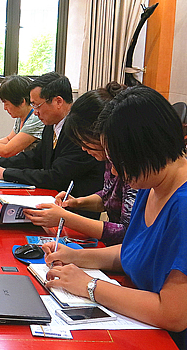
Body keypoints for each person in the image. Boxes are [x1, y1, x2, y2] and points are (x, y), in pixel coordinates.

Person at [41, 86, 187, 350]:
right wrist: (76, 256)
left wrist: (89, 286)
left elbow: (173, 314)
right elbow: (136, 250)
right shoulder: (152, 183)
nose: (117, 172)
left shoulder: (182, 206)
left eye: (120, 161)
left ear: (146, 148)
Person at [23, 83, 137, 245]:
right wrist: (76, 202)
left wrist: (66, 218)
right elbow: (109, 196)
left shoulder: (135, 169)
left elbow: (128, 234)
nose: (83, 148)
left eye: (84, 140)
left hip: (121, 251)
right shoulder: (109, 158)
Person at [0, 73, 104, 215]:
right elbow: (35, 157)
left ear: (58, 102)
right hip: (53, 202)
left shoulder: (79, 131)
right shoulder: (51, 125)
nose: (35, 112)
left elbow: (56, 177)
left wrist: (6, 173)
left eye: (37, 105)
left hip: (76, 212)